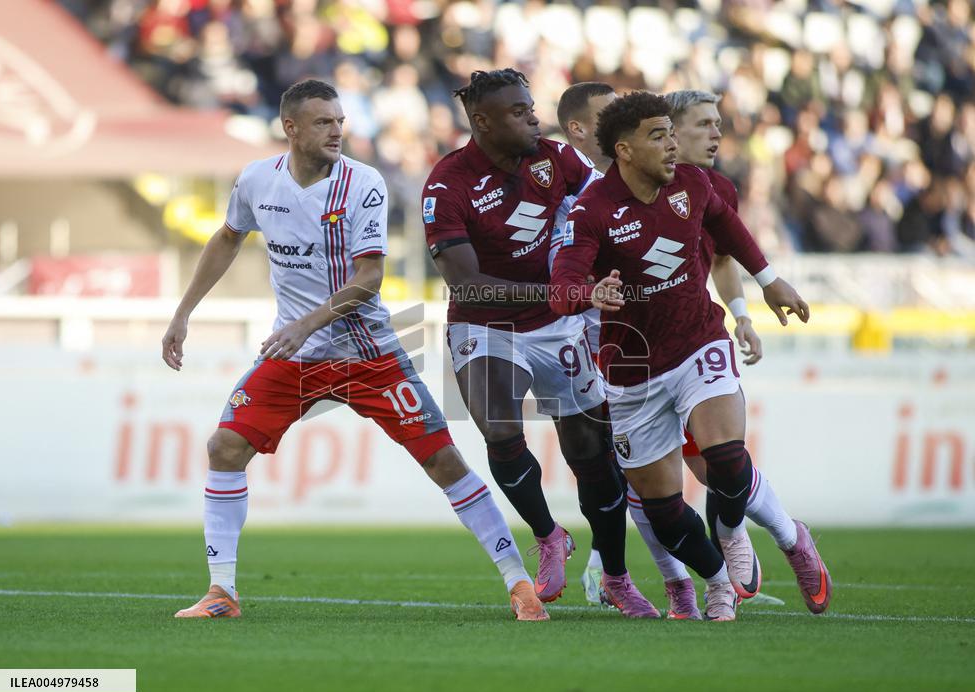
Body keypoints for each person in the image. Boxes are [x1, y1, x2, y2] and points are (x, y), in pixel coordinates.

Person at [161, 79, 547, 622]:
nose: (337, 130)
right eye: (323, 122)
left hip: (368, 355)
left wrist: (307, 324)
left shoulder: (363, 184)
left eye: (340, 121)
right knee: (224, 447)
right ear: (290, 127)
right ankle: (221, 592)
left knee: (443, 460)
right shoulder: (257, 180)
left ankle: (518, 583)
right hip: (295, 356)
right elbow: (227, 237)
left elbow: (369, 279)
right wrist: (183, 312)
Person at [550, 91, 810, 621]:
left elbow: (728, 229)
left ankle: (765, 536)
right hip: (632, 370)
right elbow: (561, 287)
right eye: (658, 136)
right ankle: (716, 581)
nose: (672, 146)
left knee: (726, 459)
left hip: (698, 341)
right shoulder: (592, 210)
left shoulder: (693, 184)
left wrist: (768, 281)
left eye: (672, 133)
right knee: (664, 512)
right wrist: (588, 293)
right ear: (624, 150)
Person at [422, 69, 658, 618]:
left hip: (558, 327)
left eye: (531, 107)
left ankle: (616, 577)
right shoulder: (447, 184)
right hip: (486, 325)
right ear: (482, 121)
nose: (534, 118)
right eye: (519, 111)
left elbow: (609, 209)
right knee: (500, 431)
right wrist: (560, 290)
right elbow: (466, 283)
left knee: (590, 454)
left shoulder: (557, 159)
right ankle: (549, 535)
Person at [663, 89, 832, 614]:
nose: (716, 133)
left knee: (725, 460)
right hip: (641, 352)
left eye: (718, 123)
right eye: (703, 124)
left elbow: (721, 259)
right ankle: (783, 536)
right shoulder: (630, 190)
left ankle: (752, 541)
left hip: (698, 338)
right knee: (700, 476)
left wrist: (741, 315)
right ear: (669, 132)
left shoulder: (718, 189)